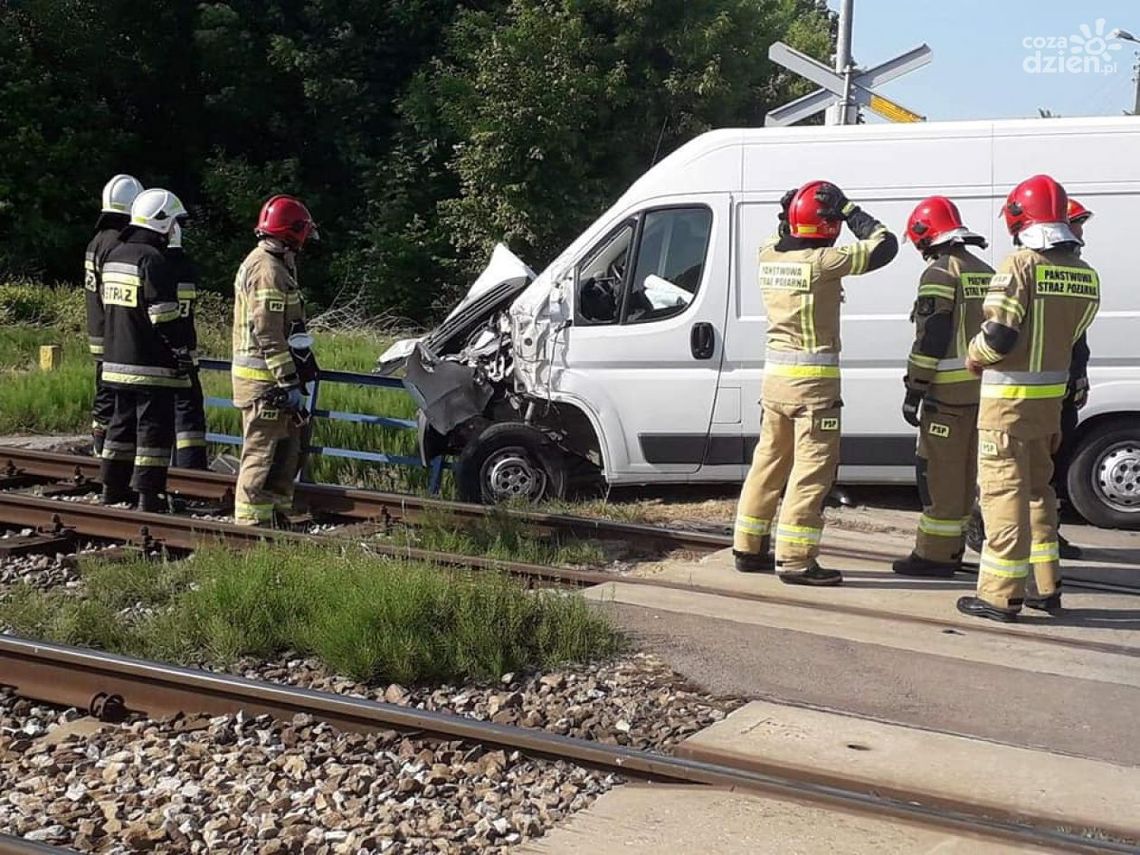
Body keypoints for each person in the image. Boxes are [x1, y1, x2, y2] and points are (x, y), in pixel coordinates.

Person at [733, 181, 898, 585]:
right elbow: (885, 245)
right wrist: (849, 209)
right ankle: (795, 560)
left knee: (768, 462)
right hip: (813, 389)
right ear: (828, 225)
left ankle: (748, 547)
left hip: (775, 384)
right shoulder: (825, 262)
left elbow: (781, 234)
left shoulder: (767, 254)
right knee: (811, 472)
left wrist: (788, 213)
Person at [958, 175, 1100, 622]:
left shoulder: (1019, 264)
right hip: (1048, 409)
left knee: (1003, 496)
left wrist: (974, 355)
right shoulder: (1084, 274)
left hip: (1006, 408)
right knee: (1040, 494)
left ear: (1020, 218)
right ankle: (1046, 585)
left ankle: (999, 595)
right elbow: (1073, 340)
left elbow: (999, 335)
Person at [892, 197, 994, 577]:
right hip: (983, 395)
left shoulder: (939, 273)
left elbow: (931, 336)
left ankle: (935, 556)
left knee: (941, 478)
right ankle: (964, 551)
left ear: (923, 235)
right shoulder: (986, 271)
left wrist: (914, 389)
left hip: (947, 400)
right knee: (970, 477)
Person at [99, 189, 194, 512]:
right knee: (153, 431)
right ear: (162, 221)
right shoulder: (153, 260)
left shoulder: (115, 255)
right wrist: (181, 349)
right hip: (151, 366)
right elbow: (163, 315)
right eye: (174, 222)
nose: (175, 230)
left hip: (115, 362)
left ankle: (111, 489)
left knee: (120, 426)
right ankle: (148, 497)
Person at [231, 195, 318, 526]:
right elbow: (268, 332)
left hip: (276, 379)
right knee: (261, 451)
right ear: (291, 231)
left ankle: (277, 515)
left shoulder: (278, 263)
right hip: (264, 381)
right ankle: (251, 523)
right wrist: (288, 380)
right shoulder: (267, 269)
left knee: (287, 449)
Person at [86, 174, 144, 456]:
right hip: (114, 333)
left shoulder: (97, 240)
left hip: (98, 329)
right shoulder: (117, 244)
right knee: (112, 394)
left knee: (105, 391)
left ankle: (102, 440)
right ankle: (106, 447)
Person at [166, 221, 208, 469]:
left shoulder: (153, 265)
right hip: (187, 359)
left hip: (159, 359)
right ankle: (192, 474)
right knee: (189, 418)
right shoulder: (187, 268)